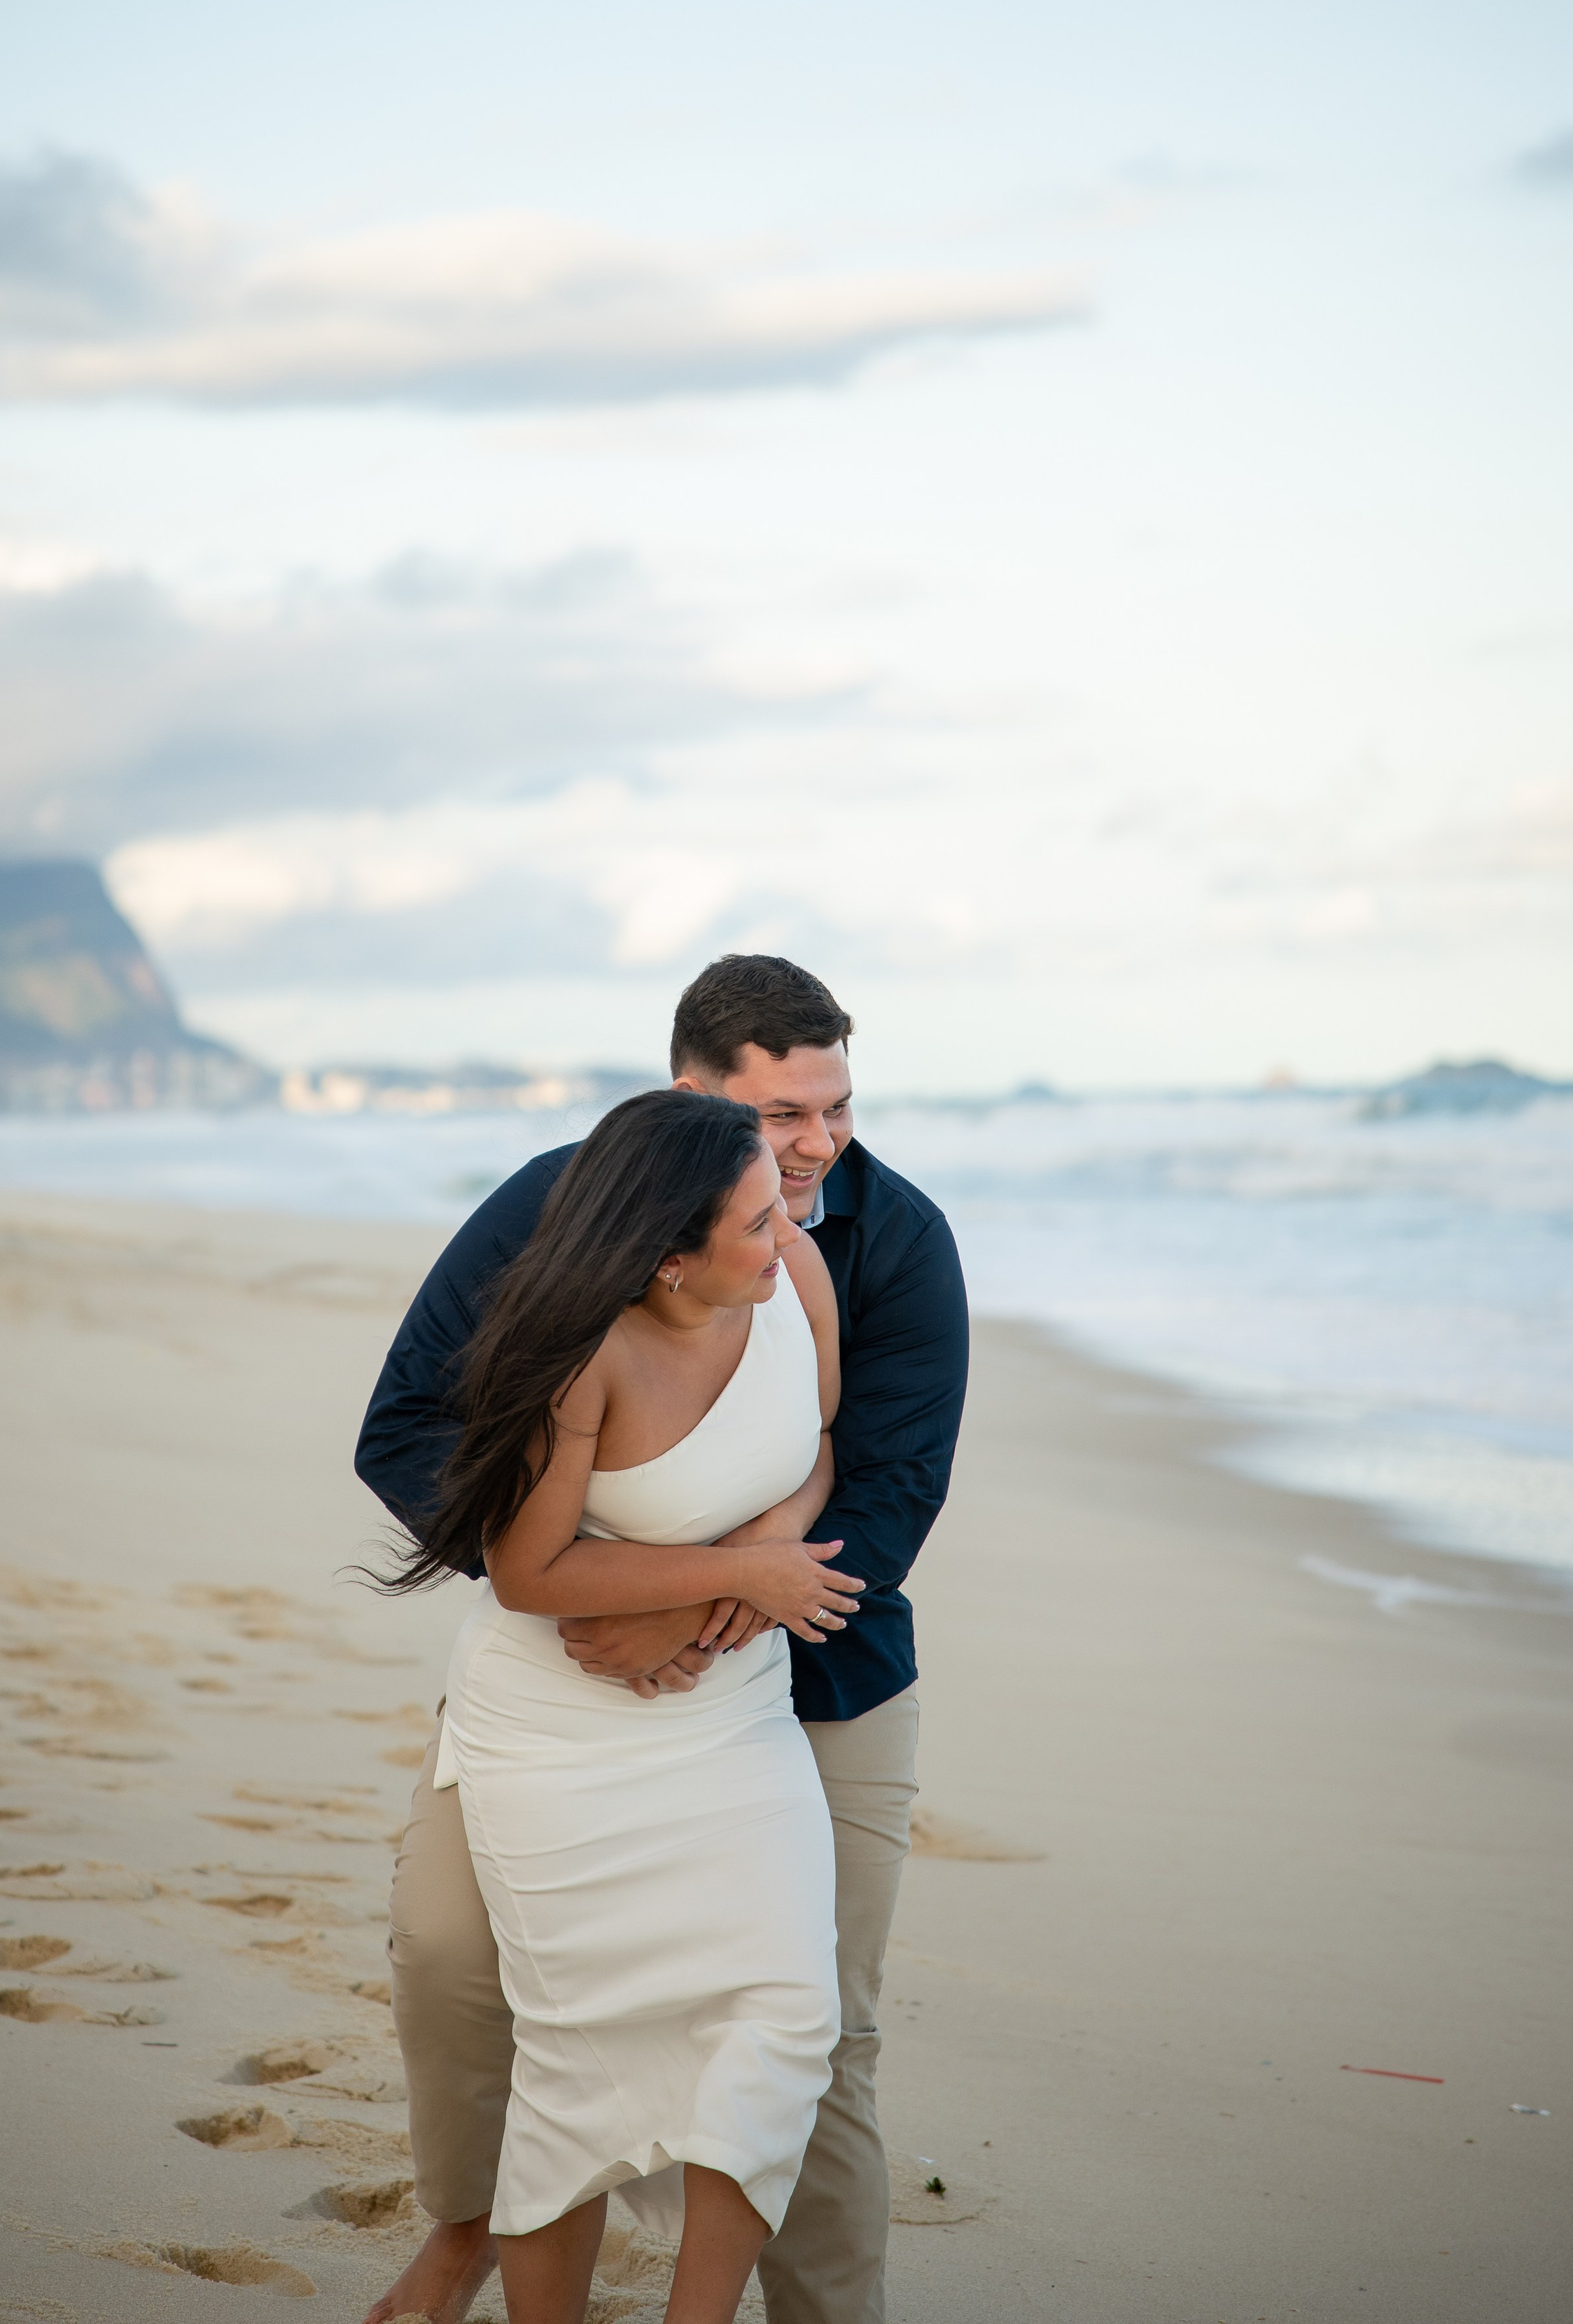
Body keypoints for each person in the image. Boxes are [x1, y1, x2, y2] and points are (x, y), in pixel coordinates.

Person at [356, 954, 970, 2324]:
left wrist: (703, 1613)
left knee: (819, 2025)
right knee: (454, 1961)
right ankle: (465, 2232)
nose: (816, 1148)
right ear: (686, 1098)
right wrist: (609, 1590)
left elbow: (881, 1486)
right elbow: (406, 1435)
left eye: (836, 1108)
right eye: (778, 1120)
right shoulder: (559, 1210)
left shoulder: (886, 1241)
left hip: (817, 1667)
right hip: (573, 1681)